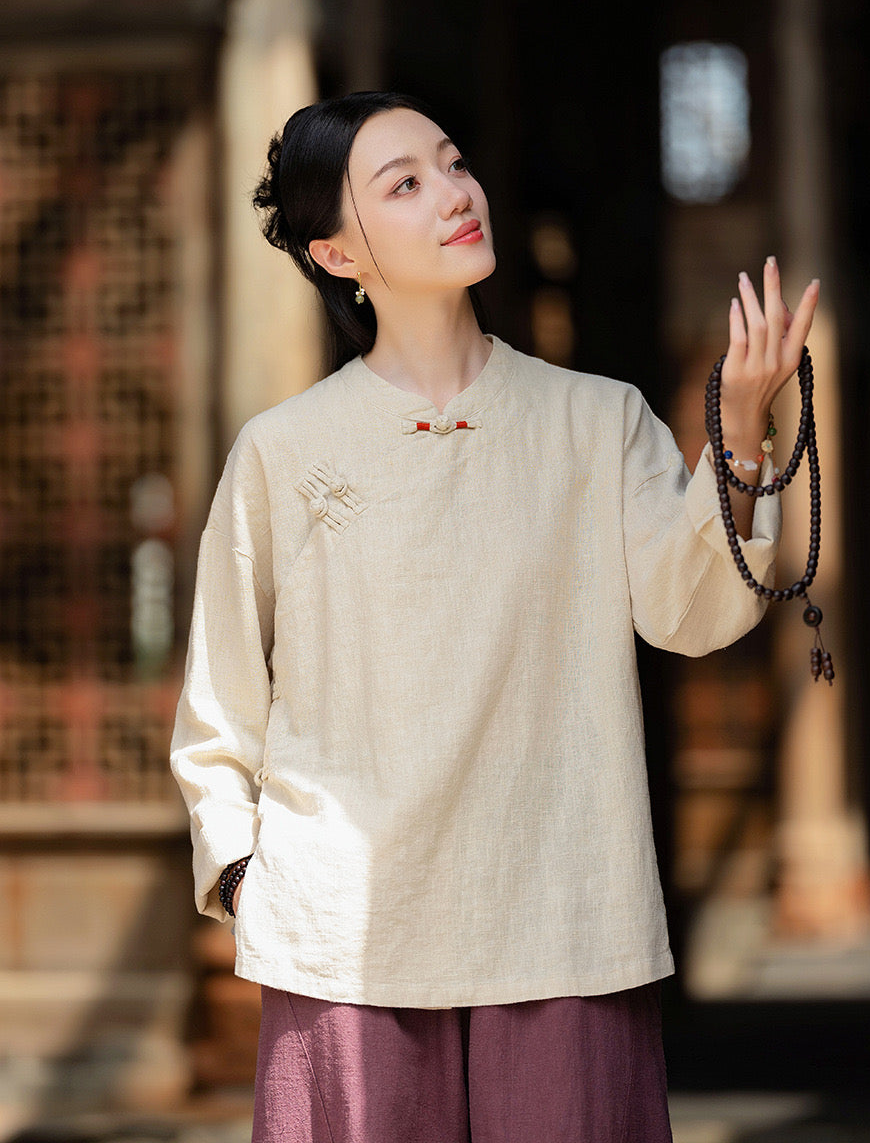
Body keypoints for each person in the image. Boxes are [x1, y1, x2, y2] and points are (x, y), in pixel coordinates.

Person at [170, 91, 819, 1142]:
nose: (455, 193)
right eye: (405, 184)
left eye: (454, 163)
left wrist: (740, 427)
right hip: (342, 930)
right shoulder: (283, 452)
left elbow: (693, 610)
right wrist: (247, 873)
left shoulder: (596, 419)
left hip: (565, 906)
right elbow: (222, 701)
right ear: (337, 255)